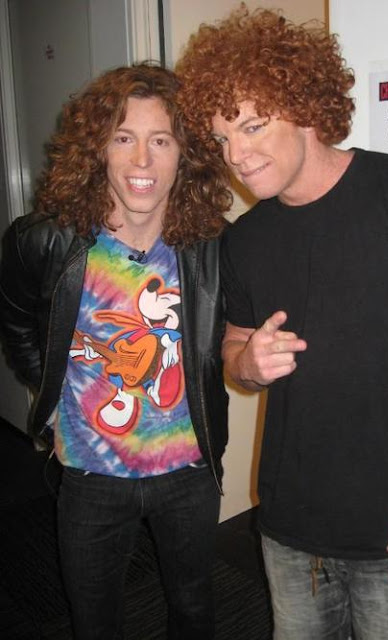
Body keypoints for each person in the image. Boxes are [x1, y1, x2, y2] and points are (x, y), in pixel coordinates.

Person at [176, 6, 388, 639]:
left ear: (306, 107)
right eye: (222, 138)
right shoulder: (246, 240)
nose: (237, 156)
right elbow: (234, 350)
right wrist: (247, 363)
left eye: (252, 126)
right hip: (289, 529)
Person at [0, 63, 232, 640]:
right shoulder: (45, 240)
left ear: (185, 155)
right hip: (91, 472)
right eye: (123, 138)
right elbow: (16, 324)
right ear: (98, 149)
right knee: (94, 621)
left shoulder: (214, 248)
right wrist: (52, 411)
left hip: (188, 470)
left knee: (195, 611)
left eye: (161, 141)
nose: (142, 161)